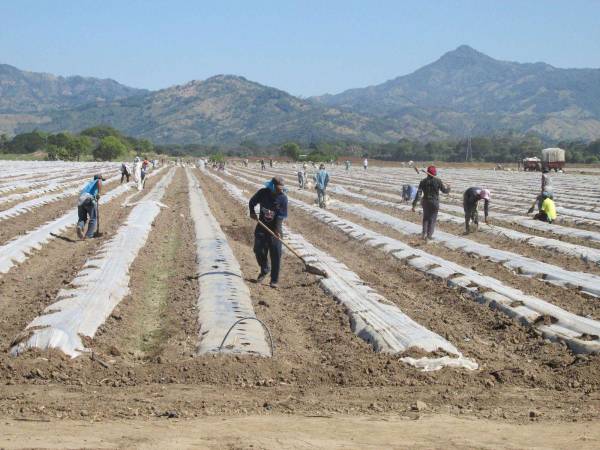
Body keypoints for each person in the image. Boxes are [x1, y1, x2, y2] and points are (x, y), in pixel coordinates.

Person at [249, 177, 288, 289]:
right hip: (262, 227)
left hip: (276, 228)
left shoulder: (283, 198)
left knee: (276, 254)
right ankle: (265, 269)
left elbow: (280, 216)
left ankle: (274, 280)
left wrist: (277, 229)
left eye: (282, 188)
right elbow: (252, 202)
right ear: (272, 186)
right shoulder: (263, 193)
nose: (280, 190)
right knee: (258, 250)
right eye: (278, 188)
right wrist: (252, 212)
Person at [412, 166, 450, 241]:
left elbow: (418, 193)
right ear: (434, 173)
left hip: (425, 202)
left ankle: (424, 234)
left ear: (427, 173)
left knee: (426, 218)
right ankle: (429, 236)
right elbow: (445, 191)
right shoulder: (438, 181)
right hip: (434, 202)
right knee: (432, 219)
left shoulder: (423, 181)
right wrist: (449, 188)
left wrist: (414, 204)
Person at [76, 174, 104, 240]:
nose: (101, 181)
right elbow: (99, 182)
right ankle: (89, 235)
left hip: (81, 199)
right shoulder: (98, 181)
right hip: (89, 199)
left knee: (82, 218)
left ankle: (80, 226)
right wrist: (98, 194)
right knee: (93, 218)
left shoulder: (89, 184)